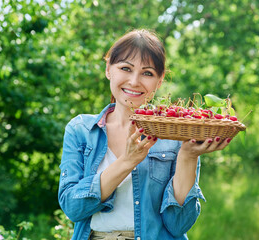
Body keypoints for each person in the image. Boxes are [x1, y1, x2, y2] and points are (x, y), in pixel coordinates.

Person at [58, 29, 232, 240]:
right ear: (108, 70)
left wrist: (188, 156)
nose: (134, 81)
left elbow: (178, 225)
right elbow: (73, 208)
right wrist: (126, 162)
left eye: (147, 73)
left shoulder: (178, 135)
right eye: (125, 68)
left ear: (159, 82)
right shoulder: (81, 130)